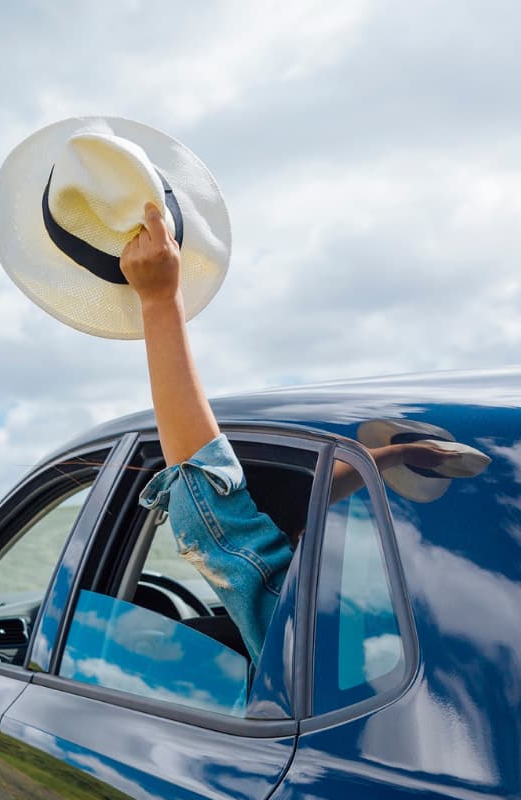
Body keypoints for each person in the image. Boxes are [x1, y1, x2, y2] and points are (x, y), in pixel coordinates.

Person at [120, 202, 456, 666]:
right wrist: (388, 458)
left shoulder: (302, 631)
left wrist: (159, 303)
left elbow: (211, 510)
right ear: (302, 530)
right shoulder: (438, 624)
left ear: (296, 537)